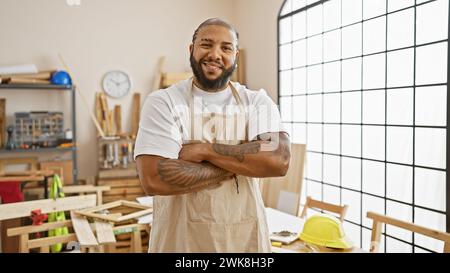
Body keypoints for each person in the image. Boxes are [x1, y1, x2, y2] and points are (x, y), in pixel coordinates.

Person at [134, 18, 291, 253]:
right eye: (206, 44)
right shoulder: (163, 102)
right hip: (180, 243)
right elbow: (154, 178)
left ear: (235, 55)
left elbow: (278, 160)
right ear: (192, 50)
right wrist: (243, 162)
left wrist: (204, 151)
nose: (215, 54)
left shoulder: (257, 102)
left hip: (244, 241)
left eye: (226, 48)